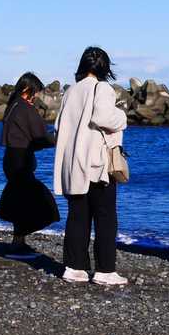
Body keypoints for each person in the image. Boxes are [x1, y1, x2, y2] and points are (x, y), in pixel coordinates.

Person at [52, 46, 129, 286]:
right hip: (96, 164)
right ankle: (105, 270)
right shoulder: (102, 88)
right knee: (105, 217)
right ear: (105, 68)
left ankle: (74, 267)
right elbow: (103, 118)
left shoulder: (71, 91)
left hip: (73, 163)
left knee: (78, 216)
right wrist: (123, 117)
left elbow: (58, 126)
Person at [0, 72, 58, 259]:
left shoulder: (13, 105)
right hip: (20, 161)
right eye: (36, 91)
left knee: (21, 201)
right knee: (40, 201)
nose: (37, 95)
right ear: (27, 88)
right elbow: (40, 137)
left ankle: (19, 242)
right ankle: (17, 245)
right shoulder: (24, 108)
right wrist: (59, 138)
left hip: (12, 159)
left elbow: (30, 137)